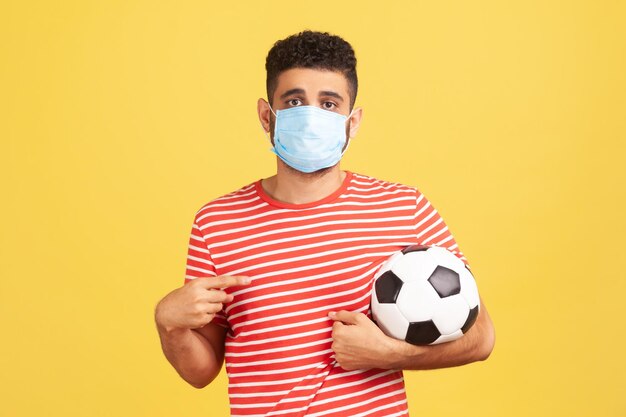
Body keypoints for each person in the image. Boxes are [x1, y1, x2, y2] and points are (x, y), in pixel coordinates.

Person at [155, 30, 495, 416]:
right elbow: (199, 372)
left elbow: (481, 338)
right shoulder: (216, 222)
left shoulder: (404, 207)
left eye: (329, 103)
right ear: (268, 116)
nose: (313, 116)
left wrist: (388, 353)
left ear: (353, 122)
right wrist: (169, 324)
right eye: (295, 101)